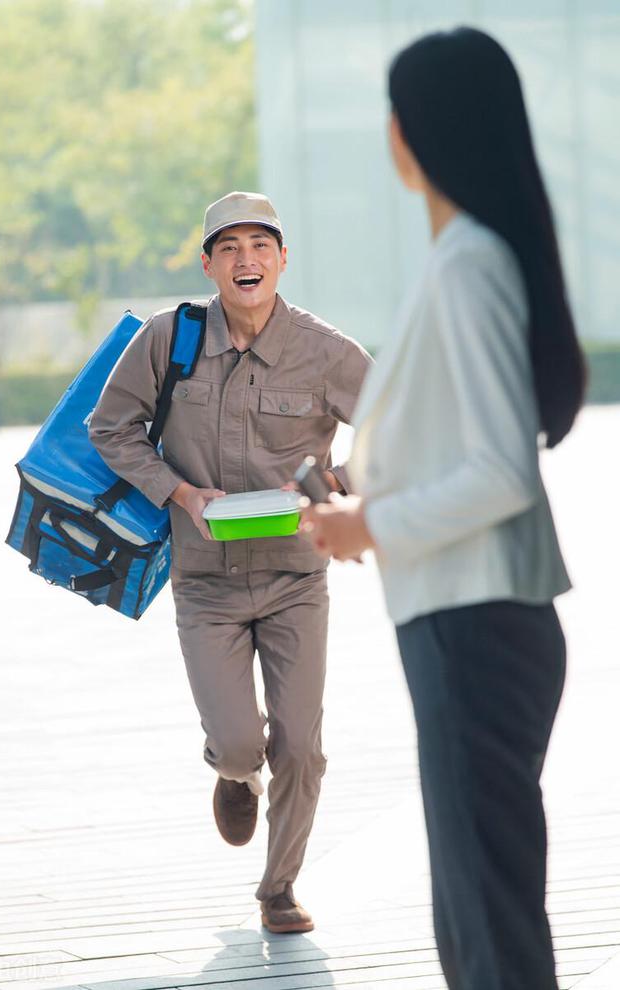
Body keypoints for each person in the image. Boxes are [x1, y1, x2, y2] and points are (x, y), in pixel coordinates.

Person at [302, 28, 586, 990]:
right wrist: (359, 499)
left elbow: (501, 469)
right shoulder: (469, 257)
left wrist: (367, 526)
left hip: (475, 630)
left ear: (420, 130)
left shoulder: (466, 265)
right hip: (471, 623)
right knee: (478, 917)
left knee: (487, 929)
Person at [89, 191, 372, 933]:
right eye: (230, 248)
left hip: (295, 576)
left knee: (302, 747)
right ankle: (234, 771)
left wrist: (333, 488)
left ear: (283, 259)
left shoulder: (325, 351)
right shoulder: (167, 339)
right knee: (244, 740)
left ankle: (278, 889)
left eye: (261, 245)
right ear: (209, 263)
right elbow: (109, 427)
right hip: (206, 582)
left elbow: (397, 426)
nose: (247, 260)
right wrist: (178, 491)